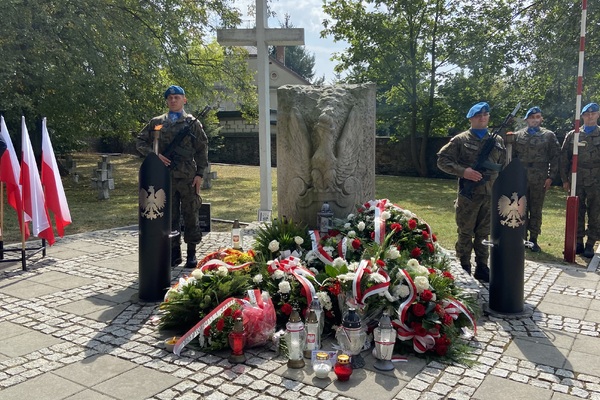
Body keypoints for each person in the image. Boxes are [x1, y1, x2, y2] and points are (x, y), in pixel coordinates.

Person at [137, 85, 208, 268]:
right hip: (164, 177)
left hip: (187, 177)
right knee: (169, 215)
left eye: (177, 97)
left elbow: (201, 149)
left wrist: (200, 173)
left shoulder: (192, 122)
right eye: (170, 98)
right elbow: (140, 141)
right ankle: (173, 252)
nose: (173, 100)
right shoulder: (157, 122)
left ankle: (191, 253)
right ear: (167, 101)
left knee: (191, 213)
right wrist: (154, 155)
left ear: (184, 100)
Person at [437, 102, 506, 282]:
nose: (482, 118)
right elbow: (442, 160)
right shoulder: (461, 140)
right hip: (469, 194)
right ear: (470, 118)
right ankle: (464, 265)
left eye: (485, 114)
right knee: (465, 232)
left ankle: (482, 266)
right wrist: (464, 171)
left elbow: (503, 165)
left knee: (484, 233)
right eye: (478, 115)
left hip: (490, 194)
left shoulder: (498, 141)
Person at [512, 107, 560, 252]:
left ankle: (533, 239)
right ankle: (522, 237)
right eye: (531, 117)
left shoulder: (548, 135)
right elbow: (511, 157)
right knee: (520, 208)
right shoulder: (518, 135)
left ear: (541, 119)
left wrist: (551, 177)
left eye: (537, 117)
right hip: (521, 176)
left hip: (539, 177)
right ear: (527, 119)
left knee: (536, 209)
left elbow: (556, 157)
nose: (534, 119)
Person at [560, 102, 600, 258]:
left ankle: (591, 243)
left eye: (593, 113)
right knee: (577, 211)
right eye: (586, 114)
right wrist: (565, 179)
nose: (590, 116)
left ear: (597, 115)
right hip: (577, 177)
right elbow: (564, 158)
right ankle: (578, 242)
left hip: (597, 178)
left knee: (595, 211)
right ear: (582, 116)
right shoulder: (573, 134)